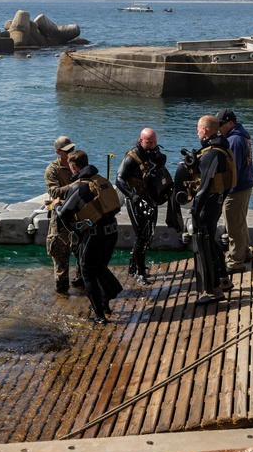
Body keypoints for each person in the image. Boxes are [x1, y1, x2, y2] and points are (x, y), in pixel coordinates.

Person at [55, 150, 123, 324]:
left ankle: (99, 316)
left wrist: (56, 205)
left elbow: (63, 215)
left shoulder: (78, 186)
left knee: (88, 274)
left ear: (73, 167)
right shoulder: (100, 181)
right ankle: (105, 304)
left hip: (94, 235)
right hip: (112, 232)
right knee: (99, 268)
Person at [189, 115, 237, 305]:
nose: (197, 132)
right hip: (217, 202)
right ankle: (224, 279)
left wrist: (194, 210)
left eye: (198, 129)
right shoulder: (223, 148)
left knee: (204, 245)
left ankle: (213, 290)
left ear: (206, 130)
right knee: (211, 239)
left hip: (208, 205)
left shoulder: (212, 153)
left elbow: (204, 185)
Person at [115, 128, 168, 284]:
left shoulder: (155, 153)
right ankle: (140, 272)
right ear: (140, 141)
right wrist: (132, 196)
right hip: (136, 201)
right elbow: (119, 179)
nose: (152, 145)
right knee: (142, 236)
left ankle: (133, 266)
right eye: (148, 143)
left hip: (151, 199)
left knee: (149, 234)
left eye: (154, 142)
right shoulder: (131, 157)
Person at [216, 108, 253, 275]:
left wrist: (223, 188)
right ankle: (245, 252)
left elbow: (234, 169)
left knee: (234, 226)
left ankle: (235, 260)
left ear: (230, 123)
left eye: (221, 124)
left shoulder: (234, 141)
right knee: (240, 221)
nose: (219, 128)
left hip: (236, 188)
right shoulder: (242, 136)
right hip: (245, 185)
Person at [45, 136, 82, 293]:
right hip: (61, 216)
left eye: (72, 149)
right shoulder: (52, 170)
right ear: (58, 152)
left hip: (79, 214)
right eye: (67, 151)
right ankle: (61, 290)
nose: (71, 152)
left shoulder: (78, 163)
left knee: (81, 251)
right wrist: (75, 186)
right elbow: (53, 191)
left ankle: (81, 282)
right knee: (60, 254)